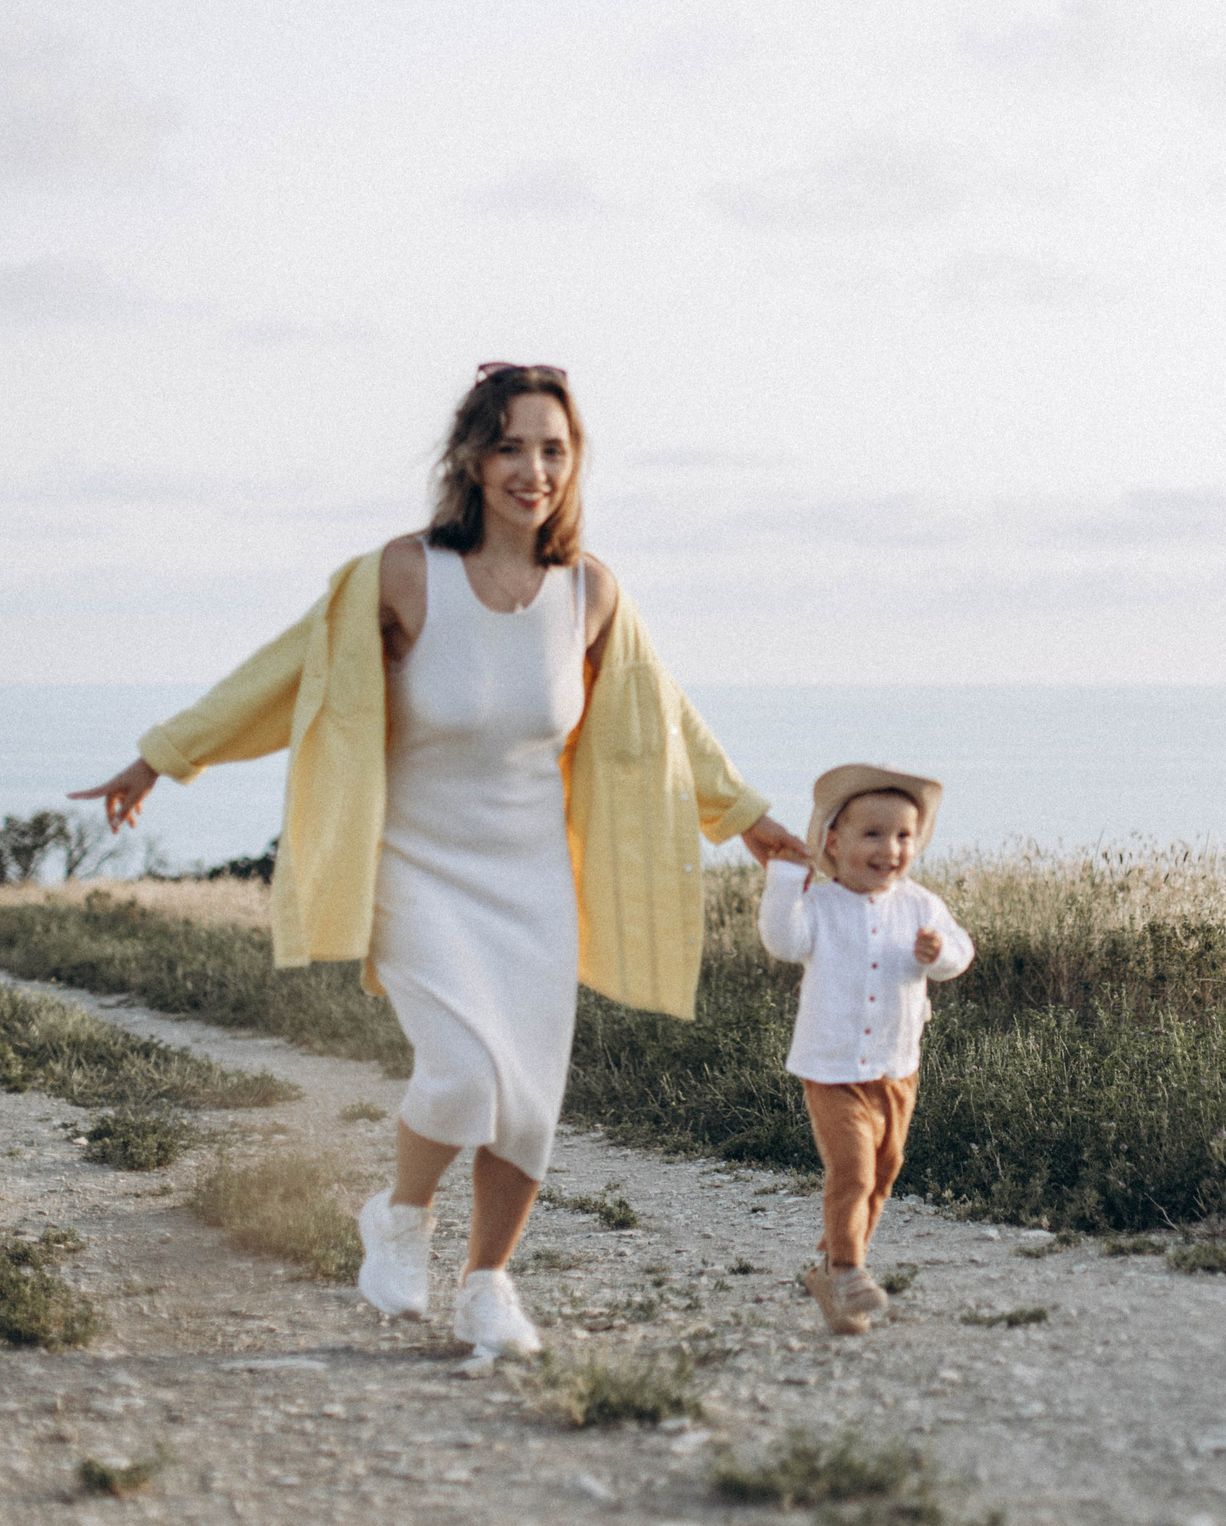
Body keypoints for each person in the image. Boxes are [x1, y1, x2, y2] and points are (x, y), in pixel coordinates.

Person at [72, 362, 809, 1359]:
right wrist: (163, 753)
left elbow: (661, 720)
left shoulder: (590, 592)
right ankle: (401, 1215)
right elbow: (284, 671)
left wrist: (748, 815)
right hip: (416, 867)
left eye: (554, 448)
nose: (532, 468)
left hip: (535, 882)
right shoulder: (402, 573)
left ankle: (487, 1283)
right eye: (511, 444)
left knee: (529, 1104)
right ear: (470, 456)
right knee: (464, 1077)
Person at [757, 763, 974, 1336]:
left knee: (882, 1172)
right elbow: (783, 940)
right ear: (833, 841)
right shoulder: (821, 907)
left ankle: (828, 1274)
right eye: (872, 834)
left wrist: (940, 954)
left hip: (897, 1067)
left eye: (904, 835)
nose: (890, 848)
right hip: (831, 1068)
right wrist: (783, 877)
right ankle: (851, 1268)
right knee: (851, 1168)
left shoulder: (921, 906)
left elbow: (961, 950)